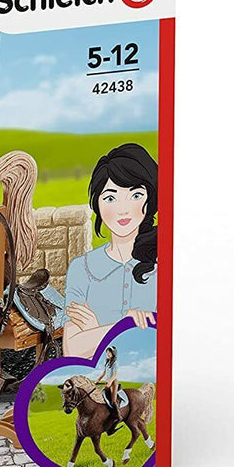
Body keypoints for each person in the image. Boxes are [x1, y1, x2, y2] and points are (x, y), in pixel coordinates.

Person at [63, 144, 158, 359]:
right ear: (97, 203)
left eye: (135, 195)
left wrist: (97, 331)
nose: (122, 209)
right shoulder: (81, 268)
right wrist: (126, 324)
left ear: (150, 197)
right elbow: (73, 349)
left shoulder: (165, 262)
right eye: (110, 198)